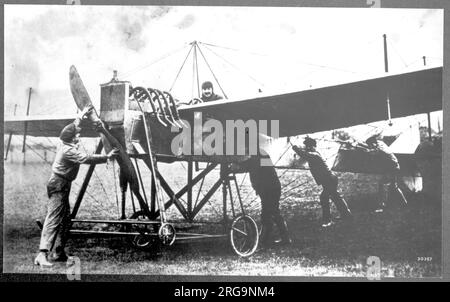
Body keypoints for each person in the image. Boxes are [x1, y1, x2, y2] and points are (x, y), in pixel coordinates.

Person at [34, 107, 119, 267]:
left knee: (65, 219)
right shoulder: (68, 151)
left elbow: (74, 126)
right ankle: (42, 254)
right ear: (72, 139)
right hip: (58, 185)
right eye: (77, 135)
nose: (79, 136)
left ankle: (58, 252)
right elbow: (86, 158)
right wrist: (106, 157)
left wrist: (80, 116)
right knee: (53, 219)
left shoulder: (65, 140)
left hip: (62, 184)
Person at [292, 137, 353, 227]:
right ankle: (346, 215)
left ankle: (327, 220)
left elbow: (305, 155)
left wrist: (296, 148)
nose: (307, 148)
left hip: (329, 179)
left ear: (312, 146)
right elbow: (304, 156)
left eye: (308, 146)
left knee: (325, 198)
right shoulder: (314, 153)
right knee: (336, 197)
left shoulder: (314, 155)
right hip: (329, 179)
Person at [240, 153, 291, 247]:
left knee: (273, 212)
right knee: (268, 214)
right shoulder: (261, 155)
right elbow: (252, 166)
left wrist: (234, 166)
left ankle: (283, 238)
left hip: (270, 189)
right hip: (270, 188)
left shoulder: (259, 157)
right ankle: (268, 238)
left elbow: (249, 166)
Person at [365, 135, 407, 212]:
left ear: (373, 143)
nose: (370, 146)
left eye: (370, 145)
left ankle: (381, 206)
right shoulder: (381, 143)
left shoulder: (379, 149)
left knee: (382, 184)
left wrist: (368, 151)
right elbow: (374, 149)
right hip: (394, 166)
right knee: (394, 186)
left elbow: (373, 152)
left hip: (391, 168)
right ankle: (404, 203)